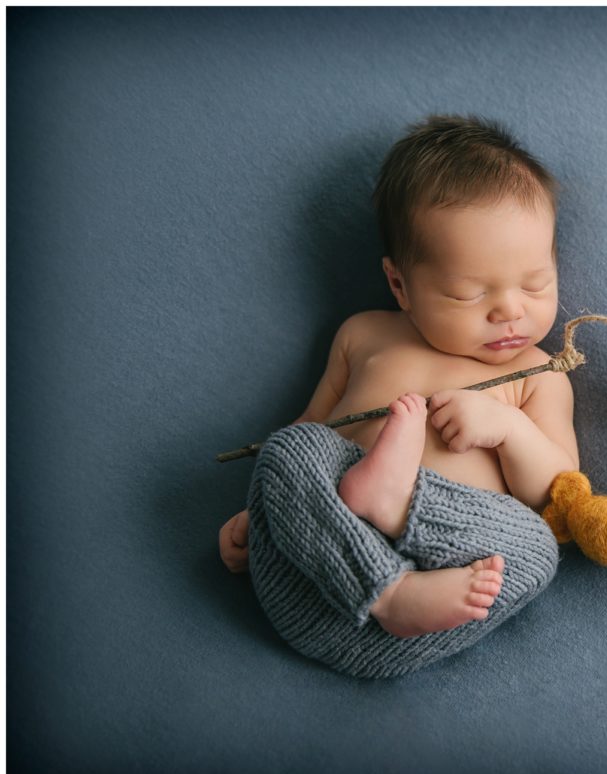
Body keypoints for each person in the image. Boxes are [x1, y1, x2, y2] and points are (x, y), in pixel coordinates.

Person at [219, 115, 577, 679]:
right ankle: (387, 587)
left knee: (537, 547)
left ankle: (398, 511)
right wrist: (262, 509)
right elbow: (315, 431)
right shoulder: (364, 335)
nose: (511, 310)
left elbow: (558, 491)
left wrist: (510, 431)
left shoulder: (538, 372)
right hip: (318, 576)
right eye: (468, 292)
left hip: (436, 594)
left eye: (536, 283)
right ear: (399, 284)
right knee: (290, 446)